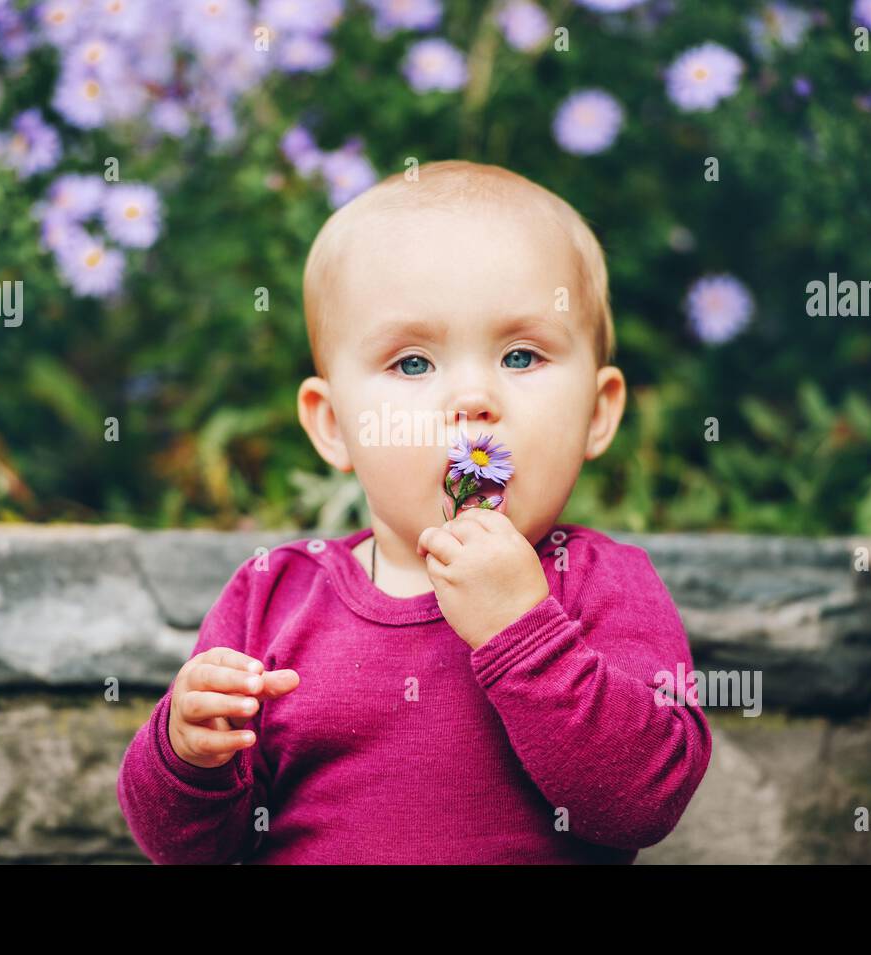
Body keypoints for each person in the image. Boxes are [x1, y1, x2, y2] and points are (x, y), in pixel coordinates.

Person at [117, 159, 711, 863]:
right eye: (413, 364)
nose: (473, 399)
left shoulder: (599, 584)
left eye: (521, 356)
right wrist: (188, 755)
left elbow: (644, 797)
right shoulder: (272, 598)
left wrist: (524, 634)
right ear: (334, 423)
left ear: (598, 411)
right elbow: (192, 849)